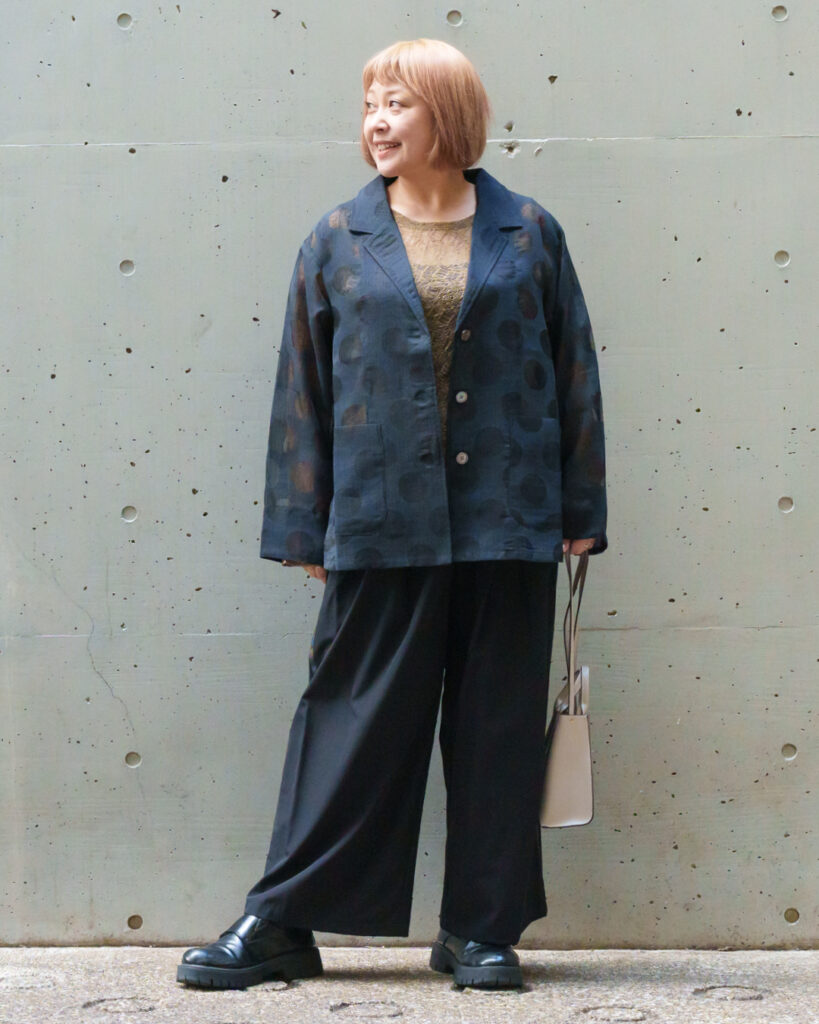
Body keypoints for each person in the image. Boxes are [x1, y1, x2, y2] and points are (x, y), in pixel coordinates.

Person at [177, 37, 607, 992]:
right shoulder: (337, 237)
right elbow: (303, 386)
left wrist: (581, 505)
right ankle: (283, 920)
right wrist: (304, 524)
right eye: (369, 103)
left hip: (508, 515)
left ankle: (481, 930)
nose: (375, 121)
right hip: (381, 518)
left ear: (445, 115)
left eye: (396, 103)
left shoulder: (528, 232)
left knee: (495, 723)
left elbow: (573, 368)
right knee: (350, 718)